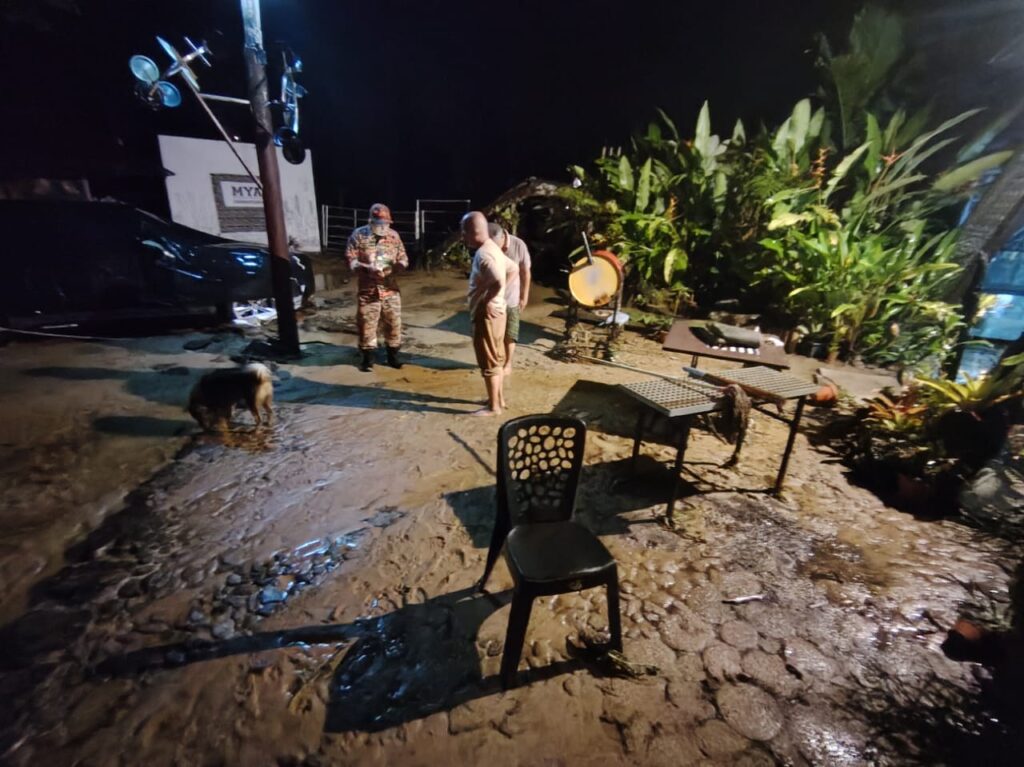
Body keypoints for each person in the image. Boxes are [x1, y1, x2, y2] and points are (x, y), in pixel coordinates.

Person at [345, 203, 409, 371]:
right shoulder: (358, 235)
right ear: (371, 221)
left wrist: (398, 266)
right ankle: (367, 359)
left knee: (393, 323)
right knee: (367, 324)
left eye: (386, 224)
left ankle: (393, 357)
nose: (383, 228)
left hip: (390, 290)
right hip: (368, 291)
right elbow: (350, 260)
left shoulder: (394, 236)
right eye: (379, 224)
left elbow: (403, 257)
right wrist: (367, 268)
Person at [463, 211, 511, 416]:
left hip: (487, 314)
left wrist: (490, 300)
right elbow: (514, 268)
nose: (462, 237)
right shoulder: (493, 248)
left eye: (463, 232)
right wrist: (498, 298)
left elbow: (498, 279)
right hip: (498, 313)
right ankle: (497, 399)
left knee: (489, 360)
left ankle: (494, 408)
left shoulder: (484, 254)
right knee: (497, 357)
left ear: (472, 233)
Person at [487, 223, 532, 376]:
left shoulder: (519, 245)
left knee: (510, 333)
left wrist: (524, 296)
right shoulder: (488, 246)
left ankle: (508, 364)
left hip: (511, 297)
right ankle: (496, 360)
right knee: (494, 333)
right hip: (493, 299)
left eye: (496, 246)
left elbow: (525, 272)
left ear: (502, 237)